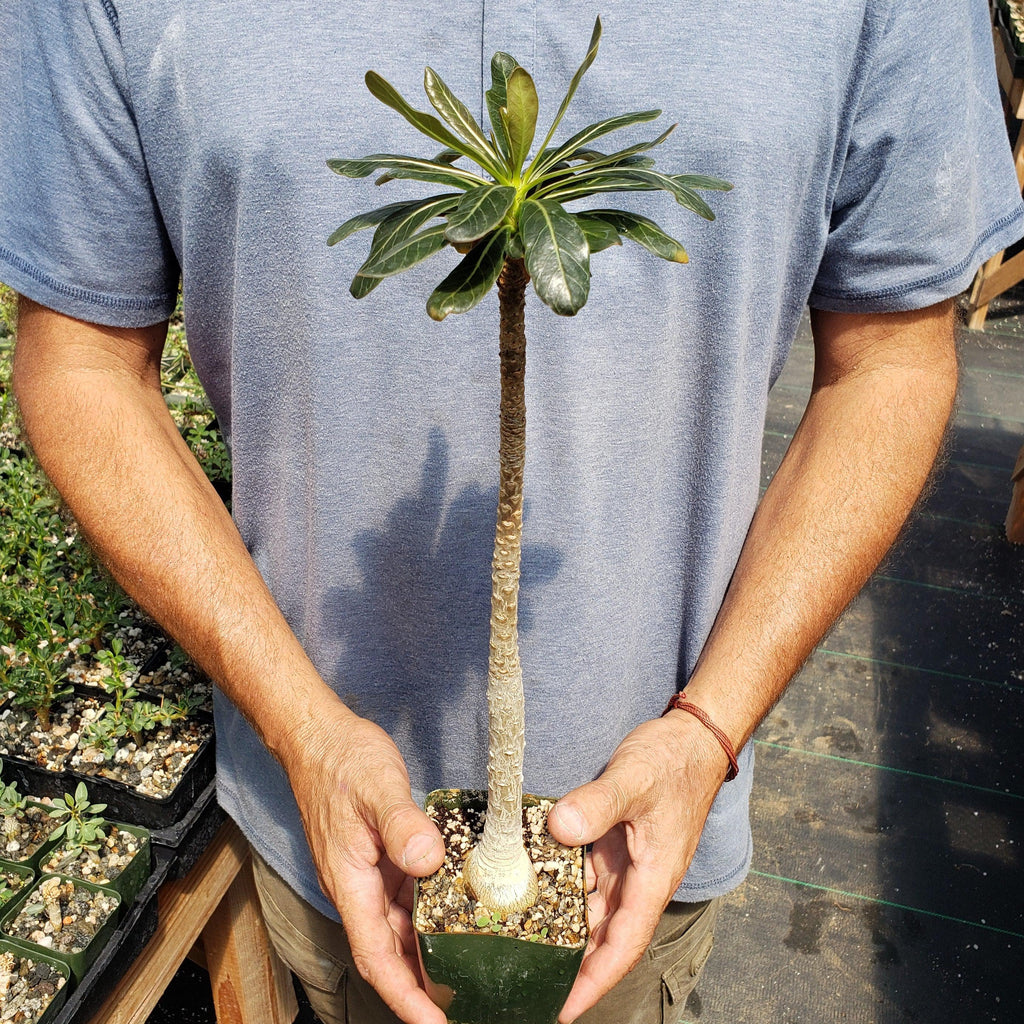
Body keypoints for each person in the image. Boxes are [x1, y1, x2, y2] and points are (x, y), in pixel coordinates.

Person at [1, 2, 1021, 1022]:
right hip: (311, 829)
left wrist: (707, 730)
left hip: (642, 852)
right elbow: (80, 355)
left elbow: (890, 353)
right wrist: (301, 731)